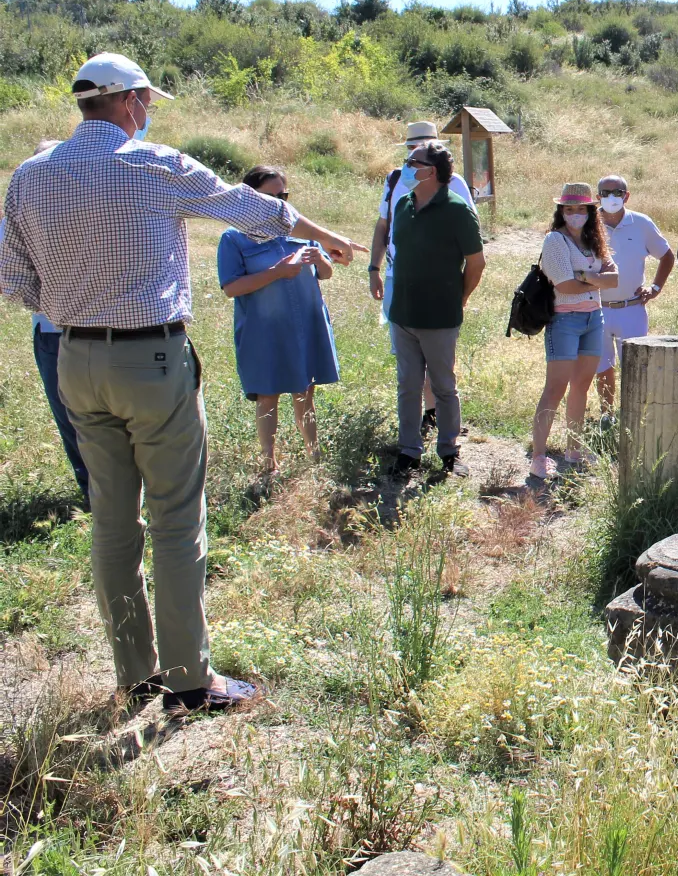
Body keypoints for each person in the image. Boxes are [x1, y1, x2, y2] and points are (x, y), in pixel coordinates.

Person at [0, 52, 365, 714]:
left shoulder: (30, 176)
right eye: (147, 103)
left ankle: (134, 674)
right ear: (131, 101)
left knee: (112, 519)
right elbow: (251, 209)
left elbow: (13, 275)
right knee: (175, 518)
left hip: (74, 360)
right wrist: (329, 235)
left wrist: (74, 311)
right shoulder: (153, 165)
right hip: (152, 359)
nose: (148, 114)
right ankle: (190, 680)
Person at [216, 166, 340, 476]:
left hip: (304, 325)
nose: (278, 203)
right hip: (264, 331)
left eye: (282, 196)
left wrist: (322, 261)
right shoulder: (234, 238)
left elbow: (325, 274)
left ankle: (314, 456)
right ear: (250, 197)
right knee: (267, 395)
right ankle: (268, 463)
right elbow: (231, 287)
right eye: (269, 196)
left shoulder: (298, 231)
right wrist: (276, 273)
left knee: (305, 391)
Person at [368, 122, 476, 436]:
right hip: (397, 278)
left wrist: (460, 293)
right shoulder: (395, 181)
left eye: (421, 151)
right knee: (408, 361)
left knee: (438, 359)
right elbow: (382, 226)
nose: (411, 161)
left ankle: (437, 421)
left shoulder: (453, 184)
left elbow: (471, 245)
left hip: (438, 284)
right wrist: (374, 269)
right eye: (410, 152)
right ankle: (415, 429)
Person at [388, 141, 485, 478]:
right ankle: (409, 452)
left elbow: (476, 263)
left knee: (443, 386)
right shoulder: (402, 205)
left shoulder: (458, 210)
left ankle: (449, 451)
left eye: (412, 162)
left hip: (440, 316)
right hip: (402, 314)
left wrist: (460, 297)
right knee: (408, 386)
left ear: (431, 171)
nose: (406, 168)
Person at [0, 140, 90, 503]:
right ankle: (103, 495)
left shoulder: (19, 215)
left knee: (74, 418)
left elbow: (11, 280)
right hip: (77, 331)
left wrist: (52, 306)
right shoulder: (95, 203)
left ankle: (99, 495)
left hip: (55, 331)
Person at [532, 184, 618, 475]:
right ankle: (539, 456)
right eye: (569, 209)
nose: (575, 214)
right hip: (564, 320)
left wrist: (583, 276)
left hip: (594, 319)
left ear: (590, 212)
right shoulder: (556, 240)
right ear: (561, 212)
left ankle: (574, 449)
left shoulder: (594, 241)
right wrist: (594, 280)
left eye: (581, 209)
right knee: (555, 388)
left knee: (581, 385)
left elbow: (615, 279)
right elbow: (565, 286)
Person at [592, 174, 673, 423]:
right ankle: (607, 415)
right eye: (605, 193)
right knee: (602, 366)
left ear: (626, 196)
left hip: (632, 306)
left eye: (617, 192)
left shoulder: (641, 223)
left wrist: (655, 288)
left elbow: (667, 256)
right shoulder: (588, 223)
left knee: (635, 365)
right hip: (596, 307)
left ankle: (633, 415)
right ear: (597, 197)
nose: (611, 197)